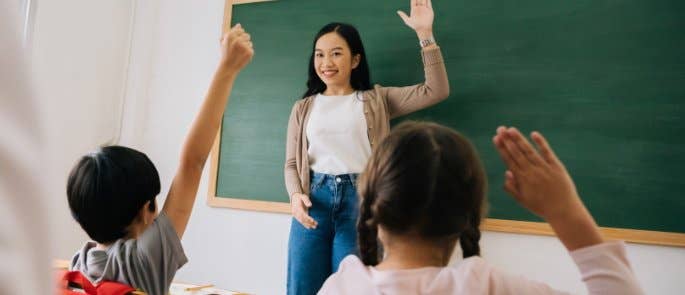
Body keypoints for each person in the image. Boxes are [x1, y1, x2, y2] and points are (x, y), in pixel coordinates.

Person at [318, 122, 644, 294]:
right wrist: (567, 212)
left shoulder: (343, 288)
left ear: (372, 199)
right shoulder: (486, 287)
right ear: (470, 212)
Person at [66, 24, 254, 295]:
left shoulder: (78, 263)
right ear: (145, 211)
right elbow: (193, 162)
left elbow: (192, 162)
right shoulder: (144, 261)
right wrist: (227, 69)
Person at [284, 0, 449, 293]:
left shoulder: (376, 100)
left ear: (355, 60)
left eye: (336, 54)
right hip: (313, 205)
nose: (326, 62)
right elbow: (292, 164)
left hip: (361, 204)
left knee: (355, 289)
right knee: (302, 288)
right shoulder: (303, 107)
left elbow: (435, 90)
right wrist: (296, 196)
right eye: (320, 55)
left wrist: (425, 34)